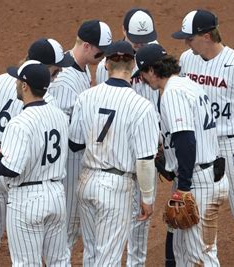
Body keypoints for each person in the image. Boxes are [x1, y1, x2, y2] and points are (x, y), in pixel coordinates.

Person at [172, 9, 234, 266]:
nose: (186, 43)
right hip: (199, 148)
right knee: (185, 212)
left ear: (206, 36)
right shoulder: (187, 59)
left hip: (233, 148)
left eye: (190, 37)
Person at [0, 38, 73, 267]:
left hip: (3, 175)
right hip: (41, 184)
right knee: (58, 259)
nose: (58, 74)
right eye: (55, 70)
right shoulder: (52, 105)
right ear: (44, 70)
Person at [134, 43, 229, 266]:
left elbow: (186, 140)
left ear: (151, 71)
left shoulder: (173, 93)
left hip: (197, 183)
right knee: (183, 253)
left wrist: (183, 187)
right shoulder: (189, 85)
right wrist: (170, 166)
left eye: (143, 75)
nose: (144, 81)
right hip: (207, 174)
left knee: (201, 257)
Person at [69, 40, 159, 266]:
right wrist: (147, 198)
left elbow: (75, 143)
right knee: (108, 258)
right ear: (134, 64)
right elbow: (145, 161)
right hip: (116, 188)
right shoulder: (142, 106)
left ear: (107, 64)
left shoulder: (86, 97)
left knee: (91, 253)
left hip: (87, 181)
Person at [94, 8, 159, 266]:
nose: (141, 45)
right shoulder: (104, 66)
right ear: (123, 32)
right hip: (115, 156)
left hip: (145, 153)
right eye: (135, 40)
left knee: (140, 227)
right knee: (109, 226)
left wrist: (160, 145)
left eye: (145, 40)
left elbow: (161, 105)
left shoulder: (157, 60)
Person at [45, 19, 112, 255]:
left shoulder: (81, 67)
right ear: (86, 46)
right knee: (68, 228)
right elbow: (60, 127)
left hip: (78, 159)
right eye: (100, 52)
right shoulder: (64, 80)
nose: (104, 57)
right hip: (69, 162)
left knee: (75, 228)